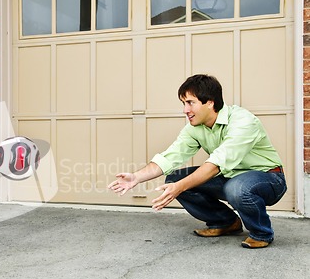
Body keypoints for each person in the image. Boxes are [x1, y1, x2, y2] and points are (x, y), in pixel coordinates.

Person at [108, 74, 287, 249]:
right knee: (174, 179)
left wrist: (180, 187)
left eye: (190, 103)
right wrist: (136, 177)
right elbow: (170, 157)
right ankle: (225, 222)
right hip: (229, 177)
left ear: (210, 102)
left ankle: (261, 233)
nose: (185, 110)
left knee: (236, 188)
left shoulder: (243, 121)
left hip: (268, 178)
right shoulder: (195, 128)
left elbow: (216, 164)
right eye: (183, 103)